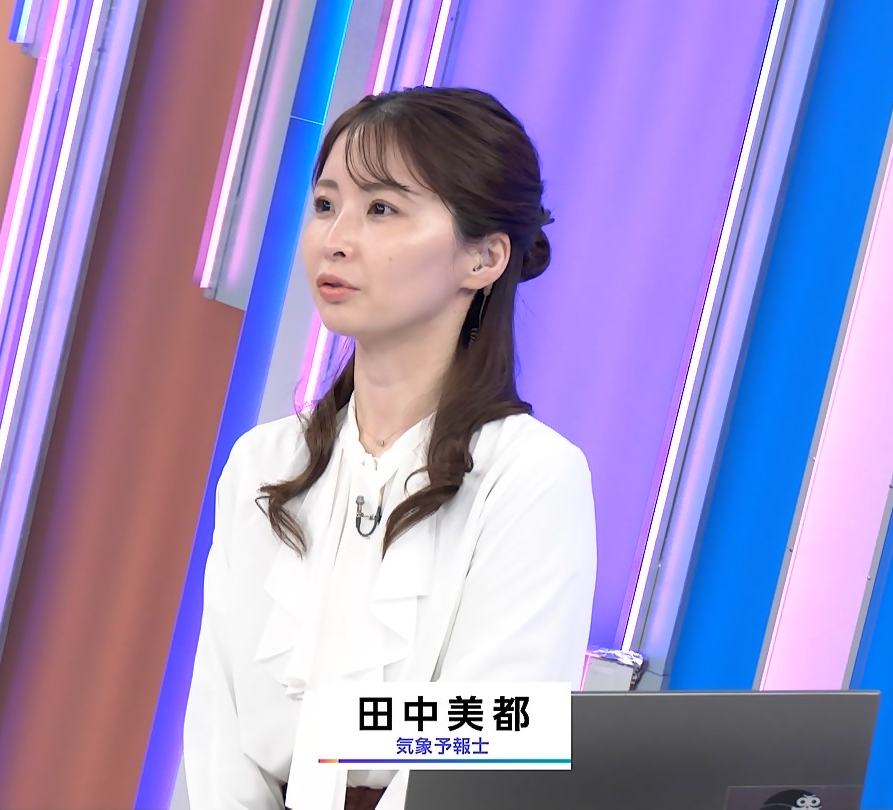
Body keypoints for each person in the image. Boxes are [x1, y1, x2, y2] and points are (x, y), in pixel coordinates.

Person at [183, 86, 597, 810]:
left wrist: (336, 734)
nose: (335, 238)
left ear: (484, 257)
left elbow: (501, 732)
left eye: (381, 209)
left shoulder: (530, 475)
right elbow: (220, 723)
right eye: (325, 205)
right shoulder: (264, 463)